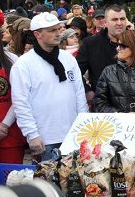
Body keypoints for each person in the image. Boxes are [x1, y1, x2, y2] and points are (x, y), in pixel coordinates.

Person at [11, 13, 88, 160]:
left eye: (59, 29)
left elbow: (79, 94)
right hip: (44, 138)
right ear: (37, 34)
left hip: (72, 135)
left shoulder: (68, 59)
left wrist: (83, 127)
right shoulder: (24, 64)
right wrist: (32, 135)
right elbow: (21, 103)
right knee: (46, 182)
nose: (58, 33)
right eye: (52, 30)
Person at [93, 30, 135, 114]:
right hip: (115, 124)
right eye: (117, 45)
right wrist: (117, 113)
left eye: (122, 46)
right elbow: (99, 102)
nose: (117, 48)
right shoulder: (108, 71)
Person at [76, 4, 128, 105]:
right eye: (114, 20)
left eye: (122, 19)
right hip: (103, 103)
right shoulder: (90, 44)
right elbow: (75, 71)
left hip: (132, 103)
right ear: (105, 23)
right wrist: (87, 90)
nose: (119, 23)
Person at [0, 11, 25, 163]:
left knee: (11, 180)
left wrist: (4, 125)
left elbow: (19, 96)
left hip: (9, 131)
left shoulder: (12, 59)